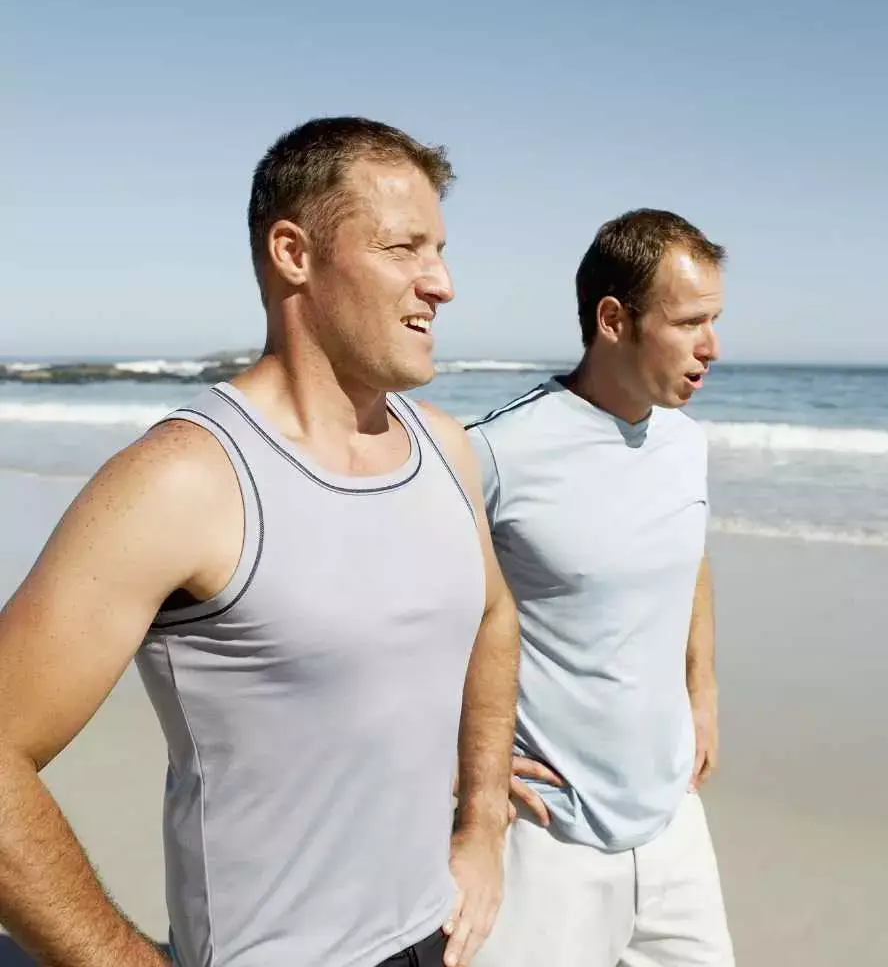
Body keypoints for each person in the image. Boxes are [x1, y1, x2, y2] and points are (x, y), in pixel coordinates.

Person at [0, 117, 519, 967]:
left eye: (442, 249)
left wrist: (485, 824)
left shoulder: (445, 447)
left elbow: (494, 616)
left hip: (440, 936)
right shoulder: (185, 482)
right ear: (293, 254)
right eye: (404, 248)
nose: (444, 283)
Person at [465, 209, 735, 966]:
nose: (712, 347)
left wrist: (702, 692)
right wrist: (458, 763)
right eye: (689, 322)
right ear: (613, 319)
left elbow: (691, 558)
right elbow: (403, 609)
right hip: (549, 835)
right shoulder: (494, 453)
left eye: (714, 320)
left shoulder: (686, 444)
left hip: (674, 816)